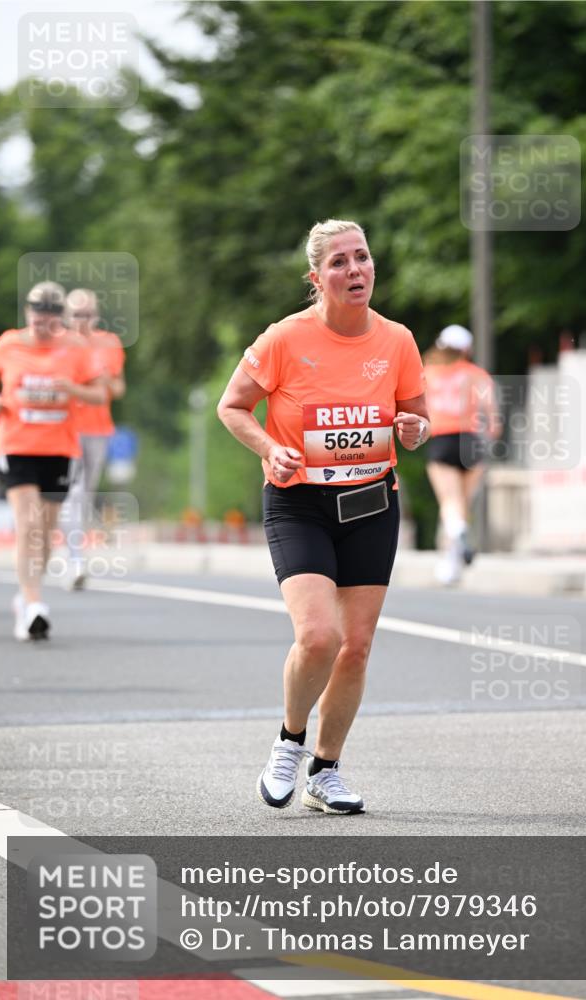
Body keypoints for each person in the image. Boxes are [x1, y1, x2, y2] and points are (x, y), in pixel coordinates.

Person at [217, 219, 429, 815]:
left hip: (370, 503)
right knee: (318, 636)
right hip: (299, 503)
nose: (354, 270)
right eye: (339, 262)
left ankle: (326, 772)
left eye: (361, 257)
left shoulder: (397, 341)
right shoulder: (285, 338)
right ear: (317, 278)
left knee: (355, 647)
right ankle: (289, 742)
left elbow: (414, 420)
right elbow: (232, 406)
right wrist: (268, 448)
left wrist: (415, 429)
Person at [0, 282, 106, 640]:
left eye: (51, 316)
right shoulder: (9, 343)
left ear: (60, 319)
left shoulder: (75, 348)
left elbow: (100, 393)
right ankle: (33, 603)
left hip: (59, 449)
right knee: (27, 524)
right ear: (27, 313)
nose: (42, 322)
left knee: (45, 531)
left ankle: (26, 598)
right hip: (16, 444)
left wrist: (70, 389)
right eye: (37, 314)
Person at [423, 324, 500, 586]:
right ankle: (451, 564)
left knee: (449, 502)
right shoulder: (477, 375)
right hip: (472, 440)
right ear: (467, 349)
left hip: (442, 438)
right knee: (462, 504)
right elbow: (493, 420)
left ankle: (456, 538)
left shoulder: (428, 374)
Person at [61, 288, 126, 590]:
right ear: (66, 316)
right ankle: (76, 561)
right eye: (76, 314)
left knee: (84, 494)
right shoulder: (58, 344)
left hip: (98, 428)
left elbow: (119, 387)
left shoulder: (109, 343)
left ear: (96, 315)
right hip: (66, 428)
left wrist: (101, 382)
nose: (82, 320)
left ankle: (74, 551)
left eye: (87, 314)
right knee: (72, 494)